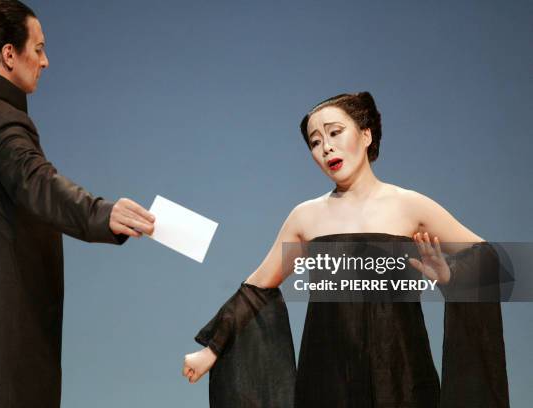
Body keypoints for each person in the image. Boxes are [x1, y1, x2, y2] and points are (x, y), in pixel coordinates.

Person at [182, 92, 509, 407]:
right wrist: (212, 349)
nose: (326, 147)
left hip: (402, 376)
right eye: (315, 142)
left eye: (335, 132)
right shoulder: (305, 216)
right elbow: (256, 289)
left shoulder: (410, 206)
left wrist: (451, 275)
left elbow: (491, 261)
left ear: (366, 135)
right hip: (327, 378)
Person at [0, 1, 154, 406]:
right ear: (9, 54)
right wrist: (103, 213)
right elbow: (38, 183)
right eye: (39, 48)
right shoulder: (2, 123)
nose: (45, 61)